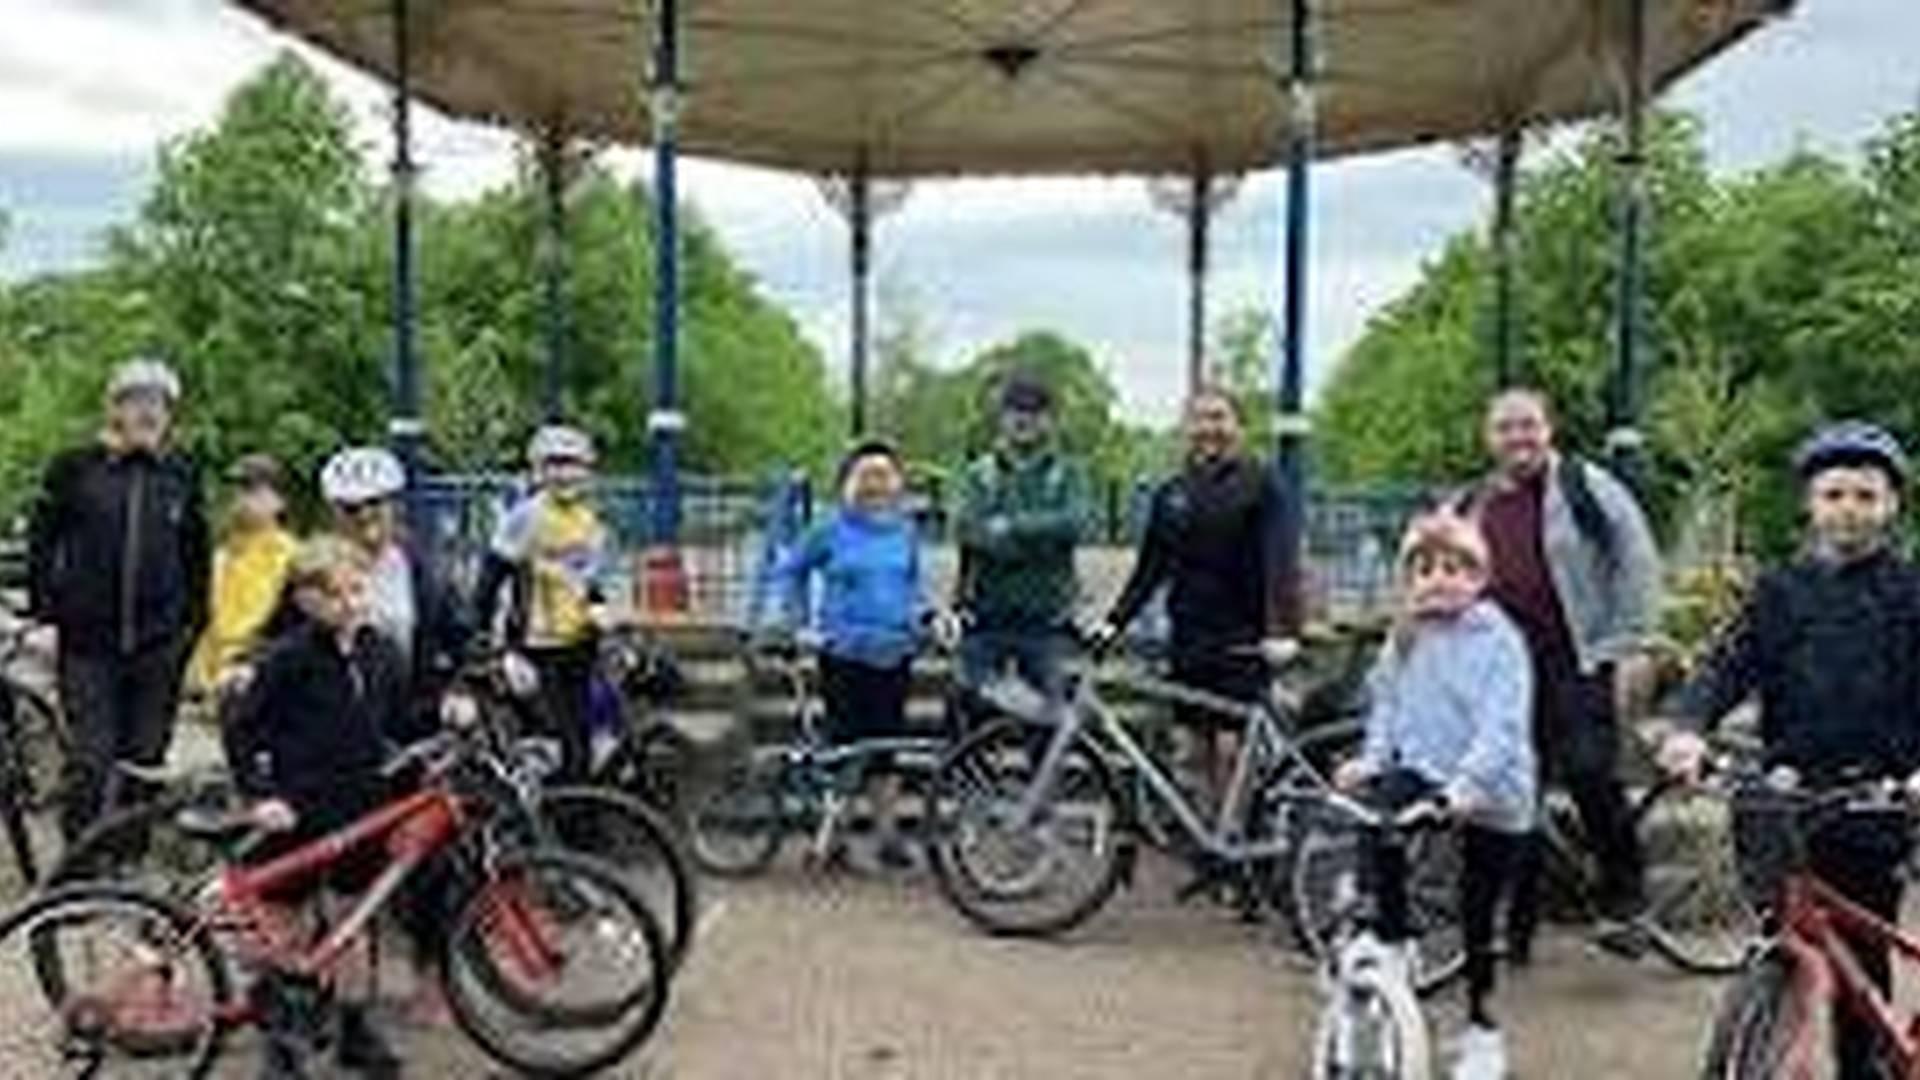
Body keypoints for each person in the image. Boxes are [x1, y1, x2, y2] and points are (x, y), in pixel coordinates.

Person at [1654, 421, 1920, 1080]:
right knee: (1792, 929)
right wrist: (1687, 726)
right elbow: (1726, 662)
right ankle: (1777, 1027)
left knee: (1861, 944)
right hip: (1790, 787)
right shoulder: (1779, 590)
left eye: (1866, 495)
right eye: (1834, 495)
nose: (1849, 509)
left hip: (1877, 792)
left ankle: (1866, 1065)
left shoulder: (1909, 592)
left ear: (1891, 506)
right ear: (1810, 504)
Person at [1454, 389, 1662, 959]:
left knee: (1591, 770)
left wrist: (1635, 641)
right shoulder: (1473, 500)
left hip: (1576, 655)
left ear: (1549, 429)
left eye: (1528, 425)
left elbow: (1636, 558)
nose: (1518, 438)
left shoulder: (1583, 485)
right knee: (1508, 790)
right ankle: (1514, 924)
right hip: (1500, 670)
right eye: (1505, 428)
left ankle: (1626, 897)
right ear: (1488, 437)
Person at [226, 535, 440, 1080]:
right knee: (285, 927)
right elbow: (242, 729)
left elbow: (402, 721)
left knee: (354, 925)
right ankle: (279, 1042)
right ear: (305, 601)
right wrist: (261, 796)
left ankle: (354, 1028)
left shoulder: (380, 651)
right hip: (296, 812)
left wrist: (451, 707)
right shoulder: (287, 659)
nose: (351, 603)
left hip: (361, 809)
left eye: (357, 590)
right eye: (336, 594)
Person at [1334, 510, 1534, 1080]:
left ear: (1478, 578)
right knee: (1378, 817)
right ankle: (1391, 935)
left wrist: (1466, 789)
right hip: (1425, 770)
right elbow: (1388, 710)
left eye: (1454, 568)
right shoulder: (1404, 637)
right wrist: (1372, 762)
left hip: (1494, 792)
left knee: (1478, 916)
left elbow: (1503, 729)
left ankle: (1481, 1028)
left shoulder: (1500, 641)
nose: (1438, 578)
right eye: (1424, 569)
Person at [27, 357, 211, 841]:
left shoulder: (181, 473)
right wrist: (46, 614)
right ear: (114, 409)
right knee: (91, 759)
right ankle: (80, 861)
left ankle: (128, 861)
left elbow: (197, 552)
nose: (148, 412)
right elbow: (42, 543)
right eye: (136, 401)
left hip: (158, 645)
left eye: (158, 404)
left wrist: (195, 626)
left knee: (144, 760)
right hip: (88, 645)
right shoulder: (75, 467)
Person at [1093, 388, 1282, 805]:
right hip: (1189, 636)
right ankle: (1207, 845)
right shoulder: (1171, 493)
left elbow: (1279, 560)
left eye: (1219, 418)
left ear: (1238, 426)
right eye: (1199, 419)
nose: (1209, 429)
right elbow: (1150, 569)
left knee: (1233, 752)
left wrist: (1280, 628)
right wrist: (1113, 622)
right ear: (1186, 428)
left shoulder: (1260, 484)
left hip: (1242, 639)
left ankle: (1236, 842)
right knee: (1191, 751)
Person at [771, 439, 926, 869]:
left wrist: (923, 618)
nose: (875, 484)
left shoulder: (906, 531)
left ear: (898, 483)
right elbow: (791, 570)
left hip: (896, 652)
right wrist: (798, 623)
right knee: (846, 747)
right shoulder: (829, 528)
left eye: (884, 474)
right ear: (847, 482)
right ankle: (830, 839)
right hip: (843, 653)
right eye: (865, 475)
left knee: (886, 748)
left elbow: (912, 586)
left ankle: (887, 837)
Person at [474, 424, 613, 782]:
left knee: (581, 739)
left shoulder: (591, 521)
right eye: (553, 464)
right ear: (538, 470)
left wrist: (600, 608)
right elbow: (489, 582)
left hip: (579, 644)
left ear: (588, 471)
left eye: (573, 464)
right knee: (551, 742)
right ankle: (547, 826)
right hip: (534, 648)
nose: (564, 474)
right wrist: (492, 646)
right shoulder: (525, 517)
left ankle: (581, 824)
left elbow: (588, 582)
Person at [953, 373, 1087, 703]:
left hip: (1047, 621)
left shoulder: (1069, 473)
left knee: (1047, 727)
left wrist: (1011, 527)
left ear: (1051, 420)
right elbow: (968, 529)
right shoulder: (978, 474)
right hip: (985, 618)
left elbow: (1074, 524)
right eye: (1015, 410)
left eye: (1035, 411)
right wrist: (1042, 540)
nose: (1024, 419)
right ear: (1001, 418)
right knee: (969, 719)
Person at [315, 446, 468, 725]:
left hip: (412, 719)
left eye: (375, 503)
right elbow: (278, 642)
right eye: (351, 508)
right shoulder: (312, 573)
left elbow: (462, 639)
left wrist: (459, 691)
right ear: (334, 513)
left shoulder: (426, 572)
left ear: (395, 505)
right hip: (332, 727)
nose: (364, 515)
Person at [186, 454, 299, 696]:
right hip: (211, 683)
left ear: (279, 501)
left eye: (251, 490)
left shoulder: (289, 556)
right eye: (235, 490)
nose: (240, 499)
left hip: (261, 677)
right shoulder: (222, 553)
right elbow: (211, 618)